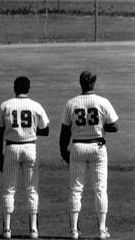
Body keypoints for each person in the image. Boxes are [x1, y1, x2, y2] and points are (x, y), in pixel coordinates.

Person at [59, 70, 119, 240]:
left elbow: (64, 131)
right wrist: (100, 126)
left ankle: (74, 232)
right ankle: (101, 230)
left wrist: (64, 151)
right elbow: (115, 126)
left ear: (81, 83)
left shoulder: (71, 103)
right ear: (93, 83)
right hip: (98, 147)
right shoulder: (102, 101)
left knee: (76, 189)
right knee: (100, 188)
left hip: (77, 147)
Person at [0, 76, 50, 239]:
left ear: (14, 88)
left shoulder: (6, 105)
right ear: (28, 88)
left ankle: (7, 230)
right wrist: (31, 130)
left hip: (11, 148)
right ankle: (33, 229)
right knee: (32, 190)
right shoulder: (36, 105)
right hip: (30, 148)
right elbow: (45, 130)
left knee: (9, 190)